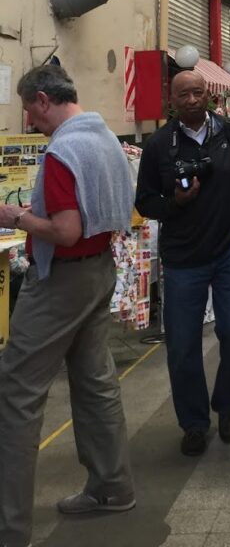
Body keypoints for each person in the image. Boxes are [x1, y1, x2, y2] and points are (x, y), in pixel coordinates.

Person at [0, 66, 135, 547]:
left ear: (42, 99)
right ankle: (111, 486)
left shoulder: (62, 151)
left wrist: (16, 215)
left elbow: (64, 231)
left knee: (16, 393)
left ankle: (10, 529)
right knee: (95, 381)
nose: (28, 121)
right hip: (100, 271)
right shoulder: (104, 137)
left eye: (28, 111)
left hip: (62, 281)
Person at [135, 68, 230, 456]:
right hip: (183, 257)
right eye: (183, 95)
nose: (192, 100)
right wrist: (176, 203)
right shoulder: (159, 145)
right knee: (183, 344)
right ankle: (193, 422)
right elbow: (145, 202)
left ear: (209, 95)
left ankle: (226, 405)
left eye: (198, 93)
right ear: (171, 100)